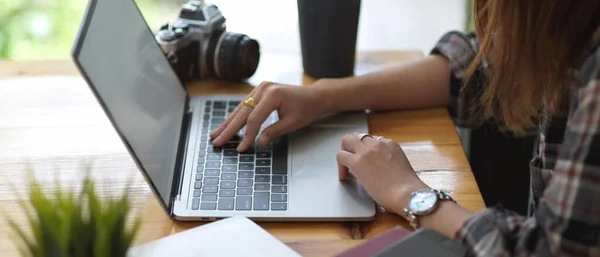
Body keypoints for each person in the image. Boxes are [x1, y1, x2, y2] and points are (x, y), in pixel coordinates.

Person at [210, 1, 600, 256]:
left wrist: (412, 194)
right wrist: (324, 96)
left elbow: (551, 250)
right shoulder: (568, 22)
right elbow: (480, 68)